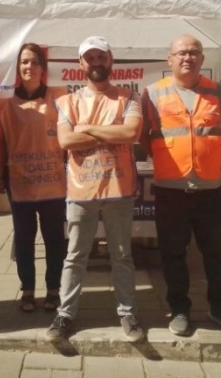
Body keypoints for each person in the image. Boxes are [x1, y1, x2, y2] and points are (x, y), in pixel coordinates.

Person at [139, 34, 221, 337]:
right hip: (170, 191)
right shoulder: (152, 93)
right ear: (170, 59)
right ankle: (179, 309)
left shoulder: (220, 92)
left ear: (202, 58)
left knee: (216, 254)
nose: (188, 57)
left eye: (194, 52)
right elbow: (144, 137)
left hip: (210, 191)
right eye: (181, 53)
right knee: (173, 254)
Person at [45, 36, 145, 343]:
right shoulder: (68, 101)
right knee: (75, 256)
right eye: (90, 58)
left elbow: (131, 132)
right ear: (81, 64)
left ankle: (127, 313)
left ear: (110, 59)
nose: (96, 63)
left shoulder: (129, 97)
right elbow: (66, 141)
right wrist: (111, 133)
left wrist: (86, 128)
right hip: (81, 192)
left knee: (121, 255)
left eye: (101, 56)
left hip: (119, 189)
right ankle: (65, 315)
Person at [0, 43, 67, 312]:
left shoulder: (58, 96)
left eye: (35, 62)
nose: (29, 67)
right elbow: (2, 141)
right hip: (20, 182)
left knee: (54, 239)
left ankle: (53, 289)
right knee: (24, 238)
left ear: (43, 67)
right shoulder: (6, 102)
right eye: (24, 62)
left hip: (53, 183)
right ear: (17, 67)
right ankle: (27, 290)